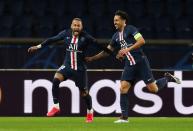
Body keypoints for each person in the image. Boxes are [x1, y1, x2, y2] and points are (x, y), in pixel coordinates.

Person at [85, 10, 181, 123]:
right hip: (129, 65)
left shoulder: (131, 29)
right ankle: (124, 118)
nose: (114, 22)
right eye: (114, 20)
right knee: (123, 88)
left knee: (153, 89)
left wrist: (127, 50)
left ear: (123, 21)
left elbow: (142, 41)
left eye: (116, 20)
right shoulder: (115, 36)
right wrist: (91, 58)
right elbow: (107, 51)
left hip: (141, 62)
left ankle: (168, 78)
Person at [28, 18, 112, 123]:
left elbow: (100, 46)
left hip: (79, 69)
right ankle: (56, 106)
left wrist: (112, 53)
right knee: (56, 79)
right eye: (74, 25)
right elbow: (52, 39)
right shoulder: (66, 33)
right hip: (67, 66)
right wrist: (38, 46)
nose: (76, 27)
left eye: (78, 26)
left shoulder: (86, 37)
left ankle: (90, 111)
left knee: (84, 93)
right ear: (71, 26)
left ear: (82, 27)